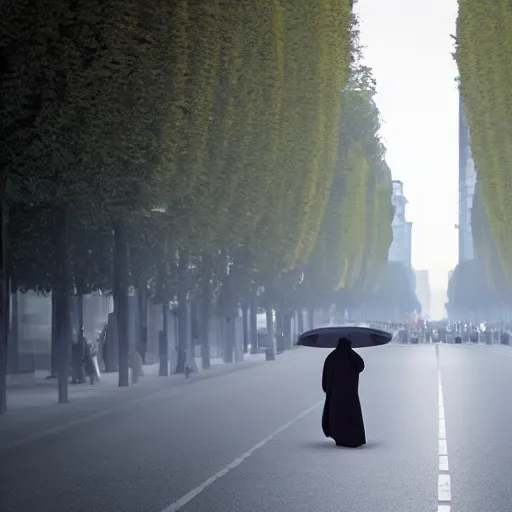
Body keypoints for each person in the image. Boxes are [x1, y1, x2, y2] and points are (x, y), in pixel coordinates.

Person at [321, 337, 366, 448]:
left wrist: (327, 389)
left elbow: (325, 376)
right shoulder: (351, 356)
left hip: (335, 394)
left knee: (337, 416)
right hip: (350, 394)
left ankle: (339, 437)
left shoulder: (331, 357)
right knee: (351, 416)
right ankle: (352, 439)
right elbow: (361, 365)